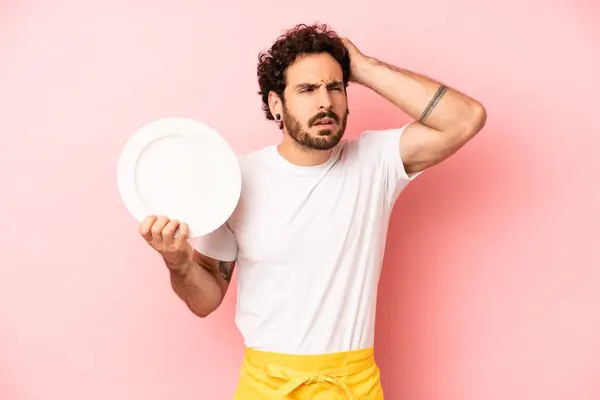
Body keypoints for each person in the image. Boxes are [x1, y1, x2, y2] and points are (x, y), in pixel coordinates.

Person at [139, 23, 486, 399]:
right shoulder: (235, 180)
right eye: (306, 89)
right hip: (267, 387)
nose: (325, 102)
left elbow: (465, 118)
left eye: (335, 87)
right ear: (276, 104)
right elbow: (206, 301)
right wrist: (179, 262)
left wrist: (364, 66)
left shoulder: (374, 162)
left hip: (351, 387)